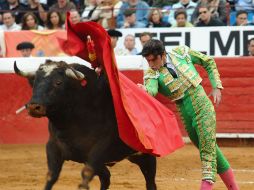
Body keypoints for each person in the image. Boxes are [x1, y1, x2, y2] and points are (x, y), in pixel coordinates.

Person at [138, 39, 239, 190]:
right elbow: (151, 90)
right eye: (148, 60)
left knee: (207, 153)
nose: (151, 64)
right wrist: (144, 91)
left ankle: (206, 186)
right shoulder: (152, 74)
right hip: (186, 115)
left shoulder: (181, 53)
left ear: (163, 54)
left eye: (154, 59)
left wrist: (216, 86)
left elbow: (208, 61)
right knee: (213, 152)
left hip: (203, 106)